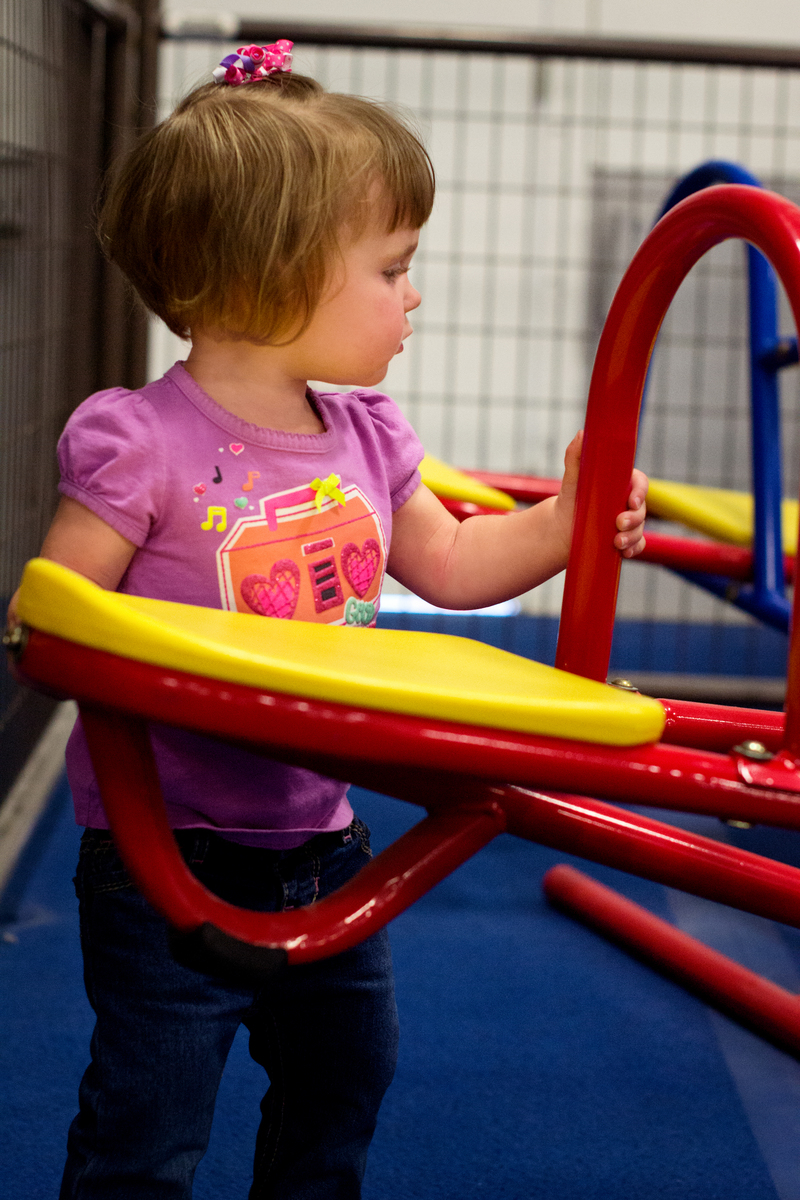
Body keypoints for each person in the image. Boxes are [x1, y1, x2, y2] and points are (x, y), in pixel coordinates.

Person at [6, 41, 648, 1200]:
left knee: (343, 1086)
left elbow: (449, 563)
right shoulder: (136, 440)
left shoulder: (367, 436)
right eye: (392, 266)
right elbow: (55, 617)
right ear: (276, 270)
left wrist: (566, 521)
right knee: (149, 1122)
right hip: (166, 856)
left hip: (328, 844)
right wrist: (71, 640)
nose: (414, 295)